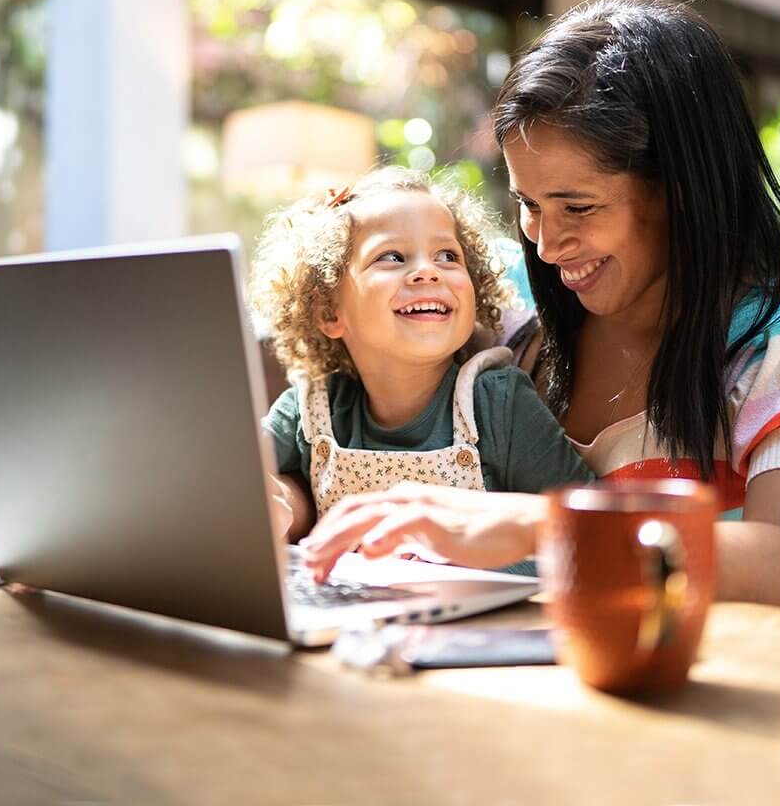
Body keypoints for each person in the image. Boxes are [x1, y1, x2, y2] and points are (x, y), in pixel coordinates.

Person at [300, 0, 780, 613]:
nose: (548, 246)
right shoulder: (505, 319)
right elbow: (335, 387)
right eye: (529, 205)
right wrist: (284, 488)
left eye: (578, 207)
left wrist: (542, 527)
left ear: (682, 191)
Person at [248, 166, 594, 565]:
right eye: (392, 256)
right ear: (329, 311)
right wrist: (277, 506)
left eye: (448, 256)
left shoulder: (500, 402)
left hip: (482, 624)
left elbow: (591, 532)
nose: (428, 271)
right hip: (352, 622)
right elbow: (233, 476)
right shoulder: (309, 408)